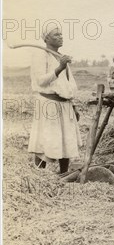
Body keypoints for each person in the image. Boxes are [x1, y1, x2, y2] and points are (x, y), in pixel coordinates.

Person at [28, 25, 81, 174]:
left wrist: (73, 106)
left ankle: (63, 174)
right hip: (48, 104)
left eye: (61, 34)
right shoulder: (40, 55)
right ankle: (39, 176)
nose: (60, 37)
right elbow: (40, 81)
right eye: (56, 35)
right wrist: (59, 67)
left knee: (66, 140)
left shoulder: (60, 57)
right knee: (44, 141)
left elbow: (68, 84)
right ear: (46, 38)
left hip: (65, 105)